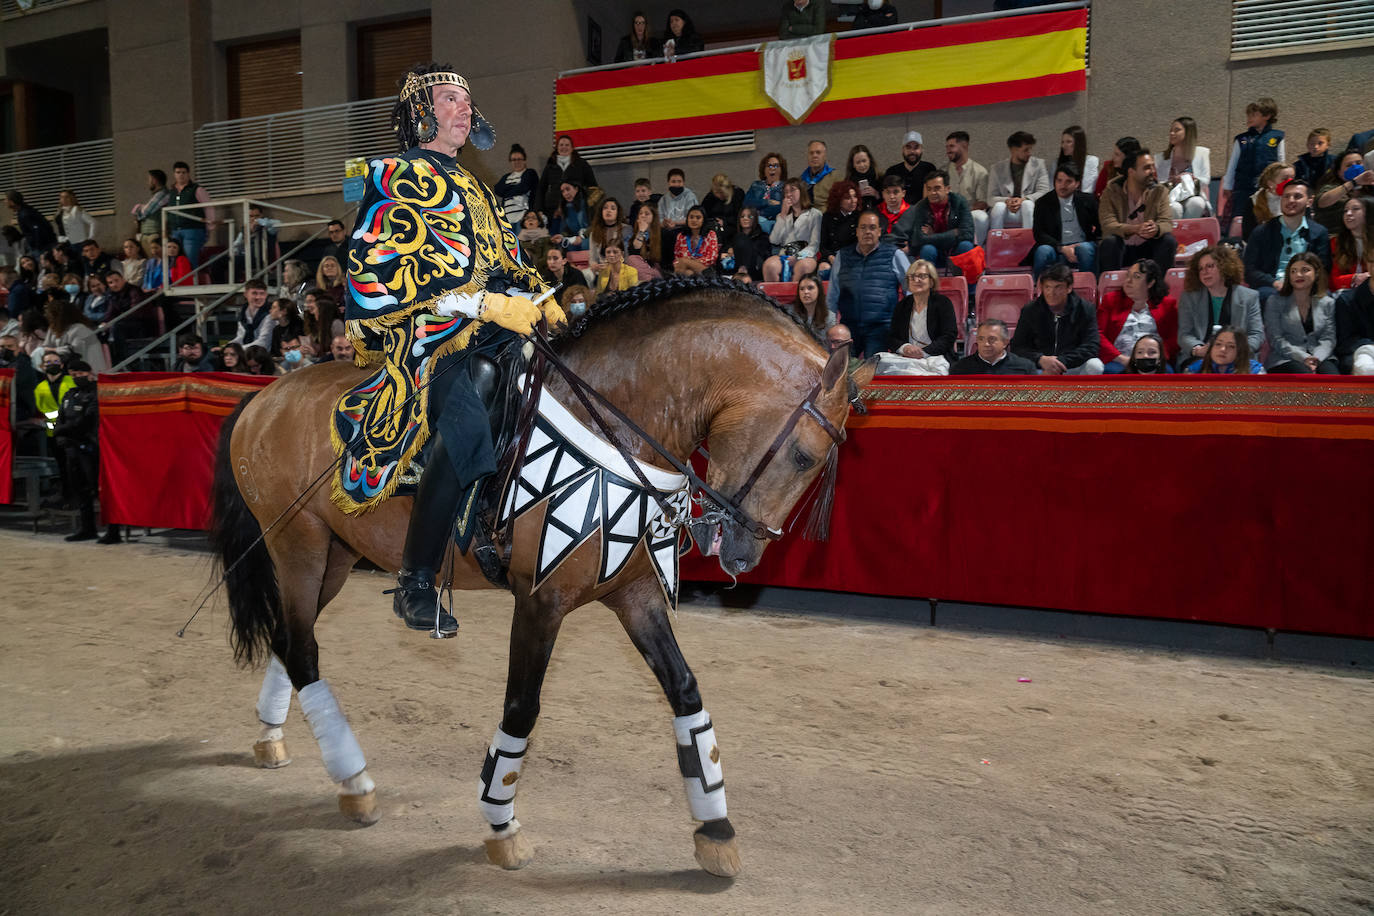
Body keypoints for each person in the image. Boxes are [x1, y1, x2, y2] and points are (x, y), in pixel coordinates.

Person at [339, 63, 563, 636]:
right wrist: (481, 307)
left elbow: (505, 262)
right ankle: (415, 580)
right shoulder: (390, 174)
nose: (464, 109)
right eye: (448, 99)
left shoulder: (478, 189)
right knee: (470, 411)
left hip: (499, 330)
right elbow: (378, 275)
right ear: (421, 112)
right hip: (430, 341)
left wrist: (541, 295)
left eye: (467, 101)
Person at [826, 209, 910, 357]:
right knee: (841, 372)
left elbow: (910, 291)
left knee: (872, 375)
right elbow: (833, 295)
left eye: (872, 227)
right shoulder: (842, 256)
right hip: (848, 327)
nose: (867, 232)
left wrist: (905, 324)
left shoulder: (894, 254)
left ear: (879, 231)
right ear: (857, 231)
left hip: (881, 327)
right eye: (863, 227)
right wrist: (831, 326)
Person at [1243, 178, 1331, 306]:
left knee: (1325, 298)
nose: (1290, 201)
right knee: (1265, 296)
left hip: (1307, 285)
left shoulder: (1319, 232)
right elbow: (1250, 270)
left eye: (1297, 196)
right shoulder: (1261, 232)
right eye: (1286, 196)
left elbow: (1323, 268)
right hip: (1272, 286)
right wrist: (1274, 283)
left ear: (1309, 202)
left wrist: (1304, 283)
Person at [51, 359, 108, 541]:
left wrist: (61, 430)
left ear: (90, 372)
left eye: (81, 374)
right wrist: (59, 434)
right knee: (80, 489)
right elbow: (60, 415)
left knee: (99, 489)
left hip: (90, 447)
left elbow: (88, 419)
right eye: (74, 375)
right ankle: (87, 528)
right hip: (72, 448)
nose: (77, 378)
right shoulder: (70, 394)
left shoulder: (96, 392)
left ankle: (112, 529)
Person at [1009, 263, 1102, 374]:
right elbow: (1017, 347)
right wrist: (1040, 359)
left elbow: (1092, 346)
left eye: (1058, 287)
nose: (1051, 293)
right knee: (1014, 365)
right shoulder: (1030, 310)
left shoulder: (1085, 309)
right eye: (1047, 287)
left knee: (1095, 365)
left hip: (1070, 365)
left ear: (1069, 288)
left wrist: (1060, 361)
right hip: (1039, 367)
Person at [1178, 245, 1264, 363]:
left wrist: (1237, 350)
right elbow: (1184, 335)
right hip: (1200, 357)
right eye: (1200, 269)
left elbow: (1256, 334)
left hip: (1238, 357)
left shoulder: (1249, 297)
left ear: (1224, 267)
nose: (1204, 272)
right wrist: (1198, 349)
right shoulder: (1189, 297)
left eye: (1210, 266)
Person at [1098, 148, 1177, 273]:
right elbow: (1108, 225)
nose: (1152, 171)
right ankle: (1110, 287)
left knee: (1168, 241)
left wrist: (1156, 229)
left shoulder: (1160, 191)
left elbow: (1167, 223)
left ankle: (1158, 287)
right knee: (1110, 242)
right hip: (1122, 248)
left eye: (1152, 167)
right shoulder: (1111, 191)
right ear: (1131, 171)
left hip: (1148, 248)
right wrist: (1134, 229)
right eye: (1147, 168)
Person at [1096, 258, 1178, 372]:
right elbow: (1098, 334)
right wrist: (1121, 358)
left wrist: (1157, 356)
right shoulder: (1110, 300)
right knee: (1113, 372)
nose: (1128, 281)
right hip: (1119, 360)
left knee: (1167, 373)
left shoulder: (1167, 304)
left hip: (1153, 360)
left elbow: (1174, 339)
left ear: (1150, 283)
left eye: (1136, 277)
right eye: (1128, 275)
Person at [1263, 251, 1337, 374]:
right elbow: (1276, 338)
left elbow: (1328, 338)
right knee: (1304, 376)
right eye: (1293, 271)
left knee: (1333, 378)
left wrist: (1316, 358)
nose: (1298, 274)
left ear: (1316, 273)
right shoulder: (1275, 301)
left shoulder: (1327, 302)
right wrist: (1304, 357)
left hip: (1320, 357)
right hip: (1285, 358)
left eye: (1305, 270)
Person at [1220, 97, 1285, 228]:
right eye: (1248, 114)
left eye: (1254, 114)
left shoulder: (1277, 137)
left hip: (1267, 188)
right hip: (1243, 187)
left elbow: (1281, 163)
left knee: (1267, 218)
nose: (1249, 117)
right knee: (1241, 219)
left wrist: (1280, 185)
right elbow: (1233, 162)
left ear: (1267, 116)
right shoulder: (1241, 139)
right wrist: (1228, 184)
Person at [892, 171, 975, 269]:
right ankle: (929, 283)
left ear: (947, 189)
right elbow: (918, 240)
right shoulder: (921, 207)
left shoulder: (959, 202)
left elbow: (968, 234)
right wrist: (953, 233)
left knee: (966, 246)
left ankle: (966, 284)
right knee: (927, 249)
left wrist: (932, 236)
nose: (932, 193)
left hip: (955, 250)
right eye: (929, 189)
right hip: (936, 253)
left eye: (937, 188)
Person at [1030, 162, 1099, 279]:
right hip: (1056, 247)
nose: (1063, 185)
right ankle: (1039, 289)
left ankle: (1089, 287)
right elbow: (1039, 233)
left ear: (1077, 184)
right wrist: (1062, 248)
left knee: (1085, 249)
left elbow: (1101, 227)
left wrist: (1089, 241)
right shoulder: (1043, 203)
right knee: (1042, 251)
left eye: (1068, 181)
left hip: (1082, 244)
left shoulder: (1088, 200)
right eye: (1059, 181)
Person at [885, 258, 957, 370]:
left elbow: (948, 336)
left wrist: (923, 353)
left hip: (934, 357)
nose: (916, 280)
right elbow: (892, 337)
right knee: (879, 359)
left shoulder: (943, 303)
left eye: (922, 276)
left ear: (931, 281)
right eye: (912, 277)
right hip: (906, 357)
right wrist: (905, 348)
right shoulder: (902, 305)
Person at [989, 131, 1049, 232]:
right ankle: (996, 241)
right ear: (1013, 150)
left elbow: (1044, 192)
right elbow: (990, 198)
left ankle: (1029, 242)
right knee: (999, 206)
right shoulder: (997, 168)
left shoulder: (1038, 165)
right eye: (1026, 150)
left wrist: (1024, 199)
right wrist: (1007, 201)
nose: (1029, 153)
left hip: (1030, 207)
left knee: (1027, 205)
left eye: (1030, 149)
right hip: (1007, 209)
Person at [763, 178, 822, 281]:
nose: (789, 194)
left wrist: (798, 256)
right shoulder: (782, 216)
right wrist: (783, 215)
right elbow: (774, 240)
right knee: (769, 265)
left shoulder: (815, 214)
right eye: (786, 192)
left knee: (803, 266)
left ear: (802, 192)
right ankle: (773, 297)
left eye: (792, 190)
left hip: (807, 255)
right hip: (785, 255)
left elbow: (814, 244)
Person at [166, 160, 216, 268]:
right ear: (174, 174)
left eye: (184, 172)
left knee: (190, 260)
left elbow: (209, 208)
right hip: (175, 230)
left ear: (188, 174)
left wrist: (210, 227)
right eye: (178, 172)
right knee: (174, 260)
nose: (181, 175)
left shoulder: (198, 189)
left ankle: (192, 282)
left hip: (193, 229)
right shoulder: (172, 191)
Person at [1160, 117, 1213, 219]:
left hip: (1192, 195)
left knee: (1197, 203)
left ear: (1188, 133)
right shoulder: (1161, 158)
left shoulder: (1202, 153)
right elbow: (1159, 185)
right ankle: (1174, 234)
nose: (1172, 133)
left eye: (1177, 130)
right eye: (1171, 130)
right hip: (1170, 197)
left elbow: (1205, 180)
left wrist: (1190, 178)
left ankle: (1187, 232)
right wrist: (1173, 181)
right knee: (1174, 207)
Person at [944, 131, 990, 245]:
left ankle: (974, 249)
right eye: (947, 147)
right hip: (946, 214)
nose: (948, 150)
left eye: (952, 146)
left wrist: (964, 212)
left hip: (970, 214)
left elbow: (983, 202)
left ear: (964, 146)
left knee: (981, 217)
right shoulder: (943, 171)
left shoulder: (980, 172)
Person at [537, 135, 597, 220]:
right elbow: (541, 188)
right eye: (561, 145)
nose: (564, 147)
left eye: (567, 145)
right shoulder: (550, 165)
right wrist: (539, 209)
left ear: (572, 148)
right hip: (552, 210)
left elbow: (593, 186)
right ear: (557, 148)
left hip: (576, 208)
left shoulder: (582, 164)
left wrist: (590, 205)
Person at [1314, 150, 1374, 235]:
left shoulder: (1369, 189)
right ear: (1339, 173)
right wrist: (1353, 183)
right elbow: (1321, 202)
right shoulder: (1332, 188)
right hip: (1334, 239)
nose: (1355, 167)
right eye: (1349, 165)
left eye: (1359, 163)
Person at [950, 319, 1037, 374]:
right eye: (981, 339)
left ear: (1005, 342)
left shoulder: (1025, 368)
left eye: (992, 339)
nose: (986, 344)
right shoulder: (960, 368)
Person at [1335, 250, 1374, 374]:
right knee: (1365, 366)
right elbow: (1345, 343)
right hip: (1360, 353)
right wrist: (1368, 347)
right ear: (1368, 264)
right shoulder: (1346, 301)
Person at [44, 298, 107, 371]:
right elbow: (45, 347)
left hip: (88, 370)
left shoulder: (80, 329)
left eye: (52, 315)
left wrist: (53, 350)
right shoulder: (53, 328)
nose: (48, 317)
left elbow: (75, 350)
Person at [1241, 161, 1293, 241]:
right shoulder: (1253, 202)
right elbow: (1248, 236)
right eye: (1285, 179)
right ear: (1271, 184)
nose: (1290, 182)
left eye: (1292, 178)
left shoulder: (1298, 201)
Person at [884, 131, 936, 206]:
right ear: (902, 150)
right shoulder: (892, 171)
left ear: (922, 149)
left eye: (916, 147)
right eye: (908, 147)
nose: (912, 151)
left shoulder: (929, 169)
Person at [1331, 198, 1372, 291]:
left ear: (1368, 214)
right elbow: (1334, 280)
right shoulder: (1336, 242)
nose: (1348, 214)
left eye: (1355, 209)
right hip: (1345, 293)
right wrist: (1354, 278)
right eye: (1345, 211)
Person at [1184, 326, 1264, 374]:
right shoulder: (1194, 370)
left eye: (1231, 346)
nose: (1222, 349)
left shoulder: (1255, 371)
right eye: (1218, 344)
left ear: (1240, 351)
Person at [494, 144, 539, 228]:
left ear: (524, 160)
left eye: (519, 159)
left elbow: (523, 188)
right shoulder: (506, 177)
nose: (516, 162)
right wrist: (515, 187)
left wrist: (506, 191)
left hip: (523, 217)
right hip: (507, 218)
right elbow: (498, 190)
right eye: (513, 160)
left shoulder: (530, 173)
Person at [818, 181, 861, 269]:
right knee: (824, 267)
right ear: (838, 200)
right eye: (848, 198)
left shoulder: (860, 216)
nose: (853, 201)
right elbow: (823, 245)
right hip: (832, 256)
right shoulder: (828, 217)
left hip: (852, 256)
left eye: (855, 196)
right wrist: (830, 257)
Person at [743, 153, 788, 233]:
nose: (772, 168)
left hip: (776, 223)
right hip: (756, 223)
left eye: (776, 165)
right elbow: (746, 204)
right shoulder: (756, 185)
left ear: (782, 170)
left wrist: (758, 210)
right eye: (769, 166)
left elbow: (781, 208)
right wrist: (767, 202)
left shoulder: (786, 187)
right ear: (764, 169)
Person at [131, 169, 170, 255]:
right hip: (149, 234)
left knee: (157, 261)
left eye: (149, 180)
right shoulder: (157, 195)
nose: (148, 183)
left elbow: (146, 212)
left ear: (154, 180)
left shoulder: (162, 194)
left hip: (154, 234)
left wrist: (139, 209)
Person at [229, 278, 275, 351]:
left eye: (262, 293)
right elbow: (240, 337)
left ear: (266, 295)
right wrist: (227, 347)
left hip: (265, 355)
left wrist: (238, 350)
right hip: (249, 352)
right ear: (246, 294)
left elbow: (263, 343)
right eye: (254, 293)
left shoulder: (270, 314)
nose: (258, 297)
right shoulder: (243, 313)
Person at [672, 206, 719, 276]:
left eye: (698, 218)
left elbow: (711, 258)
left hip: (705, 269)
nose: (694, 220)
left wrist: (690, 262)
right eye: (691, 217)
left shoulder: (710, 234)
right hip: (685, 269)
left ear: (704, 220)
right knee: (688, 272)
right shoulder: (681, 236)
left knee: (683, 262)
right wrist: (685, 263)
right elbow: (677, 257)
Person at [727, 207, 770, 281]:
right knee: (739, 237)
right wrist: (727, 252)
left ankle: (742, 272)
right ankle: (741, 274)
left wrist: (738, 250)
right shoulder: (733, 236)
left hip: (754, 269)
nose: (745, 219)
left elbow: (763, 256)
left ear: (755, 219)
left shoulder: (763, 236)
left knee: (741, 238)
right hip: (734, 268)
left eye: (750, 216)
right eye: (742, 216)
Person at [658, 168, 699, 243]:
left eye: (679, 181)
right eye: (673, 182)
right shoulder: (663, 199)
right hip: (666, 231)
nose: (676, 184)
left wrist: (676, 223)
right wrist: (664, 223)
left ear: (683, 183)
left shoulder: (690, 197)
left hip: (685, 230)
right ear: (668, 183)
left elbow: (693, 219)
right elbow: (659, 220)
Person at [1094, 136, 1140, 200]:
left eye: (1117, 154)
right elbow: (1098, 193)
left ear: (1128, 158)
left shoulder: (1143, 172)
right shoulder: (1109, 167)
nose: (1113, 157)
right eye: (1114, 153)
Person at [586, 196, 626, 272]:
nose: (608, 211)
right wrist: (594, 265)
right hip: (601, 269)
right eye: (605, 208)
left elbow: (628, 256)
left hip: (621, 268)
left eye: (613, 208)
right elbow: (592, 258)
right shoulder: (594, 233)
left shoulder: (626, 230)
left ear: (618, 213)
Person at [1058, 126, 1099, 197]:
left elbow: (1088, 189)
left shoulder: (1091, 161)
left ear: (1078, 143)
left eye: (1068, 142)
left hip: (1082, 202)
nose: (1064, 146)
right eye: (1062, 142)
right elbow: (1052, 188)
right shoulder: (1056, 163)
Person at [549, 181, 590, 251]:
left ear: (576, 189)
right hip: (575, 239)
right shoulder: (566, 208)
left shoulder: (589, 204)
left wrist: (583, 236)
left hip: (591, 236)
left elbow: (596, 225)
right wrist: (562, 236)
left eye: (568, 189)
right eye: (563, 191)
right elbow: (566, 229)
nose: (565, 193)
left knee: (585, 244)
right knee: (566, 245)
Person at [626, 202, 664, 278]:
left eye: (647, 214)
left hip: (658, 269)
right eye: (640, 213)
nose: (643, 216)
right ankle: (650, 281)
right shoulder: (635, 234)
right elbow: (634, 252)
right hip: (643, 271)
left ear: (654, 217)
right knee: (631, 259)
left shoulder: (663, 233)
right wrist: (641, 231)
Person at [701, 173, 745, 238]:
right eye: (716, 193)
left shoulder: (738, 194)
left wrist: (724, 221)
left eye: (721, 193)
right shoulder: (710, 197)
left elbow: (741, 215)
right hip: (714, 227)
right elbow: (703, 213)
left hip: (733, 227)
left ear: (729, 189)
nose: (719, 196)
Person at [799, 140, 838, 210]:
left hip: (826, 217)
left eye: (818, 152)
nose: (814, 155)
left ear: (825, 156)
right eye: (811, 153)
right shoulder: (801, 180)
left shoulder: (836, 178)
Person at [845, 145, 881, 209]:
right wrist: (856, 196)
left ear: (870, 160)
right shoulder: (847, 182)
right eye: (858, 162)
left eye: (864, 161)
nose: (862, 165)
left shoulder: (880, 177)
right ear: (853, 165)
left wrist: (877, 194)